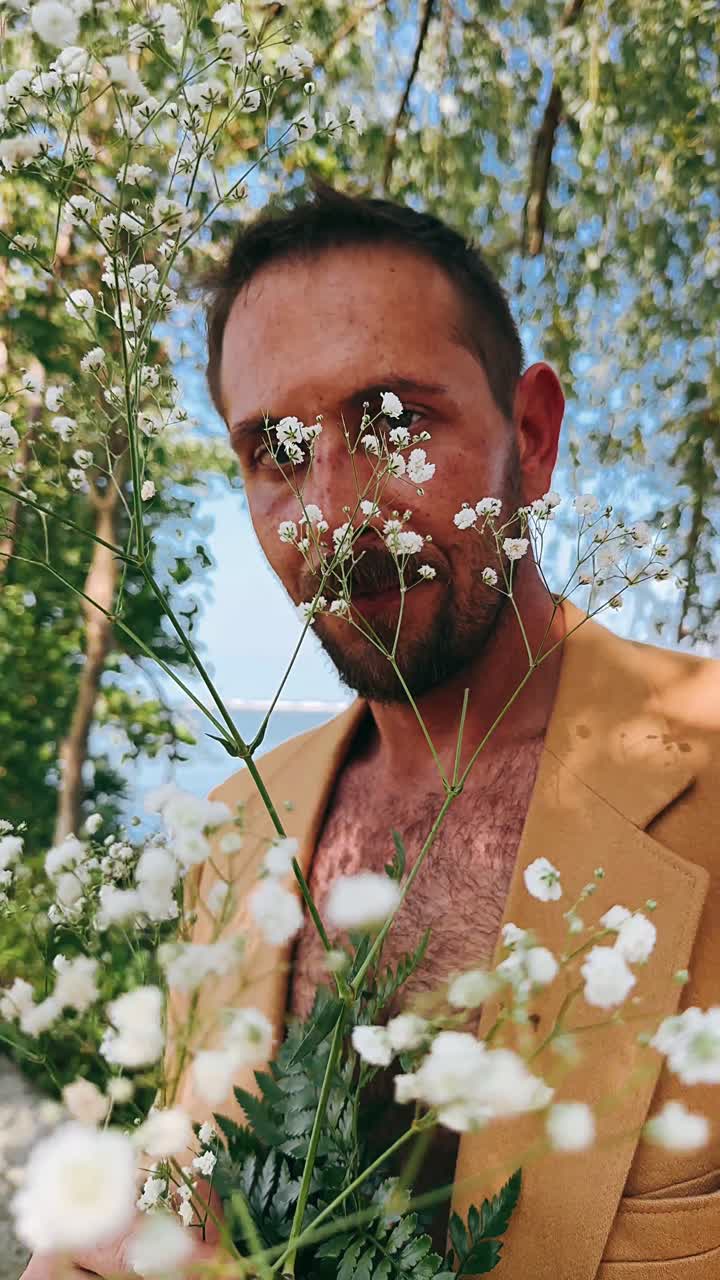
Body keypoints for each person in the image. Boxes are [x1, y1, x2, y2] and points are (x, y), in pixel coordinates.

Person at [22, 182, 720, 1280]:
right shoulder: (235, 825)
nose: (335, 512)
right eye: (277, 451)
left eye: (392, 420)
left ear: (531, 438)